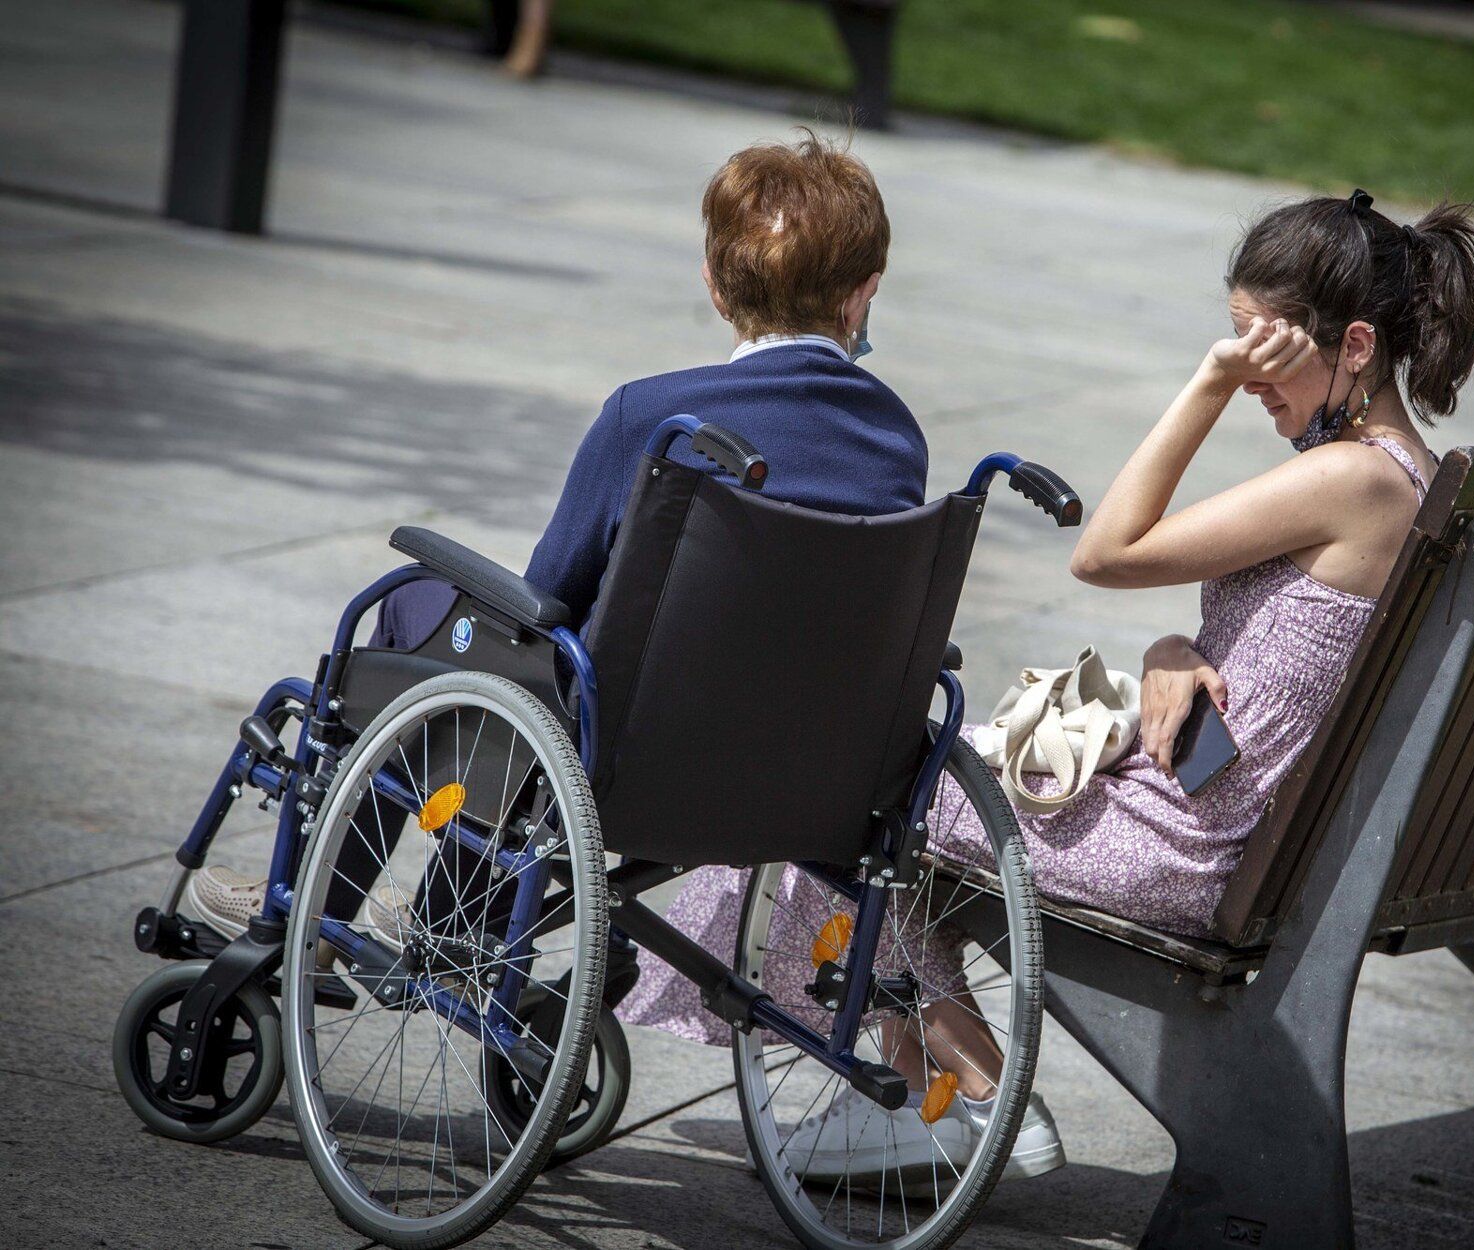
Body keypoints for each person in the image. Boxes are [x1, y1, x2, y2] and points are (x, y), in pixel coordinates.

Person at [628, 188, 1474, 1176]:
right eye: (1234, 346)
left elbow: (1107, 548)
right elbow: (1301, 651)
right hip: (1226, 827)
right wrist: (1178, 649)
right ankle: (931, 1093)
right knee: (898, 786)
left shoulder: (1358, 482)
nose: (1250, 375)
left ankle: (970, 1095)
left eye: (1262, 349)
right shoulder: (1403, 478)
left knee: (840, 794)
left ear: (1352, 345)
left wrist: (1207, 383)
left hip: (1185, 846)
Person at [183, 129, 933, 983]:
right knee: (536, 680)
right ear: (862, 297)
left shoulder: (651, 417)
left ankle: (323, 914)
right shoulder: (893, 441)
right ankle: (441, 922)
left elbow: (546, 597)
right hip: (810, 781)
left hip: (622, 768)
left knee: (426, 615)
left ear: (717, 289)